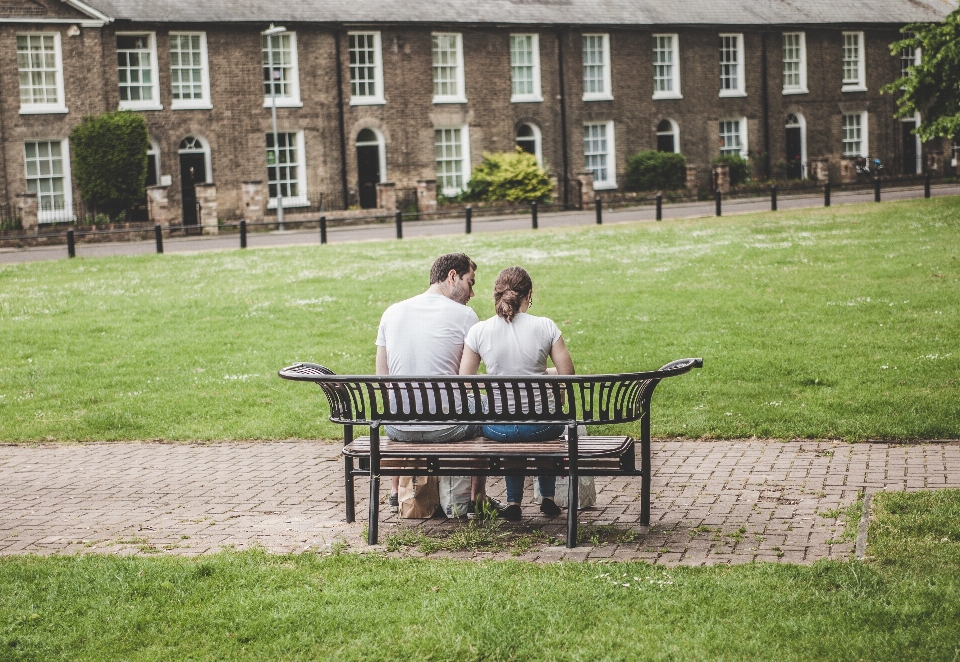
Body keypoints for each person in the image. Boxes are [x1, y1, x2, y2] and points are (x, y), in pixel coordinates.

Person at [459, 266, 575, 521]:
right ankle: (547, 497)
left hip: (499, 428)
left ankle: (513, 501)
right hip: (543, 427)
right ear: (528, 294)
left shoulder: (479, 331)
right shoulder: (545, 326)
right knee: (545, 425)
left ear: (497, 294)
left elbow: (465, 381)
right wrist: (544, 375)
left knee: (511, 434)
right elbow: (568, 375)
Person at [376, 252, 489, 512]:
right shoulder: (465, 315)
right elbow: (467, 382)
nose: (471, 293)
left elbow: (383, 378)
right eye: (470, 282)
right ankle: (476, 497)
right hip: (447, 427)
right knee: (484, 408)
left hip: (398, 428)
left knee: (404, 400)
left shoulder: (391, 313)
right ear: (452, 276)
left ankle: (395, 491)